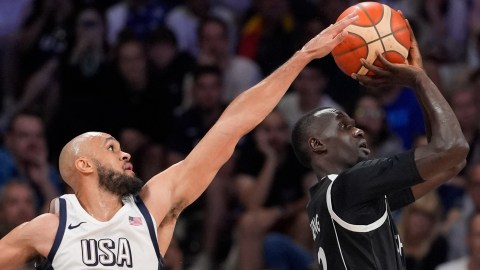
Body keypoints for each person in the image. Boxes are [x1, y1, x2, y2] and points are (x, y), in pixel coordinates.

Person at [0, 11, 359, 269]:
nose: (125, 152)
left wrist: (303, 57)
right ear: (83, 164)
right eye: (110, 147)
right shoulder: (48, 228)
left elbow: (231, 125)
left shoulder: (152, 206)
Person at [290, 19, 469, 269]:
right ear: (317, 144)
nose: (358, 130)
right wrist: (419, 80)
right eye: (344, 126)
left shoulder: (330, 199)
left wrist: (419, 87)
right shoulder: (352, 184)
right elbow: (453, 149)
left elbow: (450, 164)